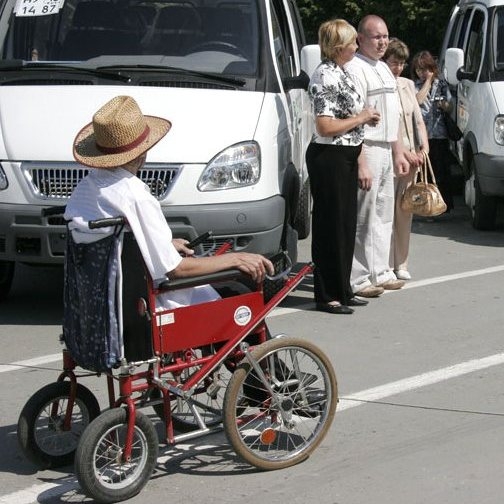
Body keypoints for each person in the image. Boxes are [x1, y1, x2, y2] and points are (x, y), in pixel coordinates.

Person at [64, 95, 274, 311]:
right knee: (240, 294)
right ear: (142, 152)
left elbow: (120, 242)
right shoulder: (135, 195)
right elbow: (176, 270)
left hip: (106, 304)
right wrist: (235, 259)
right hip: (158, 304)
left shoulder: (84, 190)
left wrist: (164, 245)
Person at [306, 18, 381, 315]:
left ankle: (343, 288)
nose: (355, 46)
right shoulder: (325, 75)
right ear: (338, 46)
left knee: (346, 225)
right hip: (329, 156)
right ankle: (326, 294)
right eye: (351, 42)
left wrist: (363, 119)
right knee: (330, 225)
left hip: (347, 154)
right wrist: (362, 118)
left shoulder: (344, 72)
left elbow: (349, 115)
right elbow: (325, 126)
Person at [345, 15, 410, 298]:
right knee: (364, 215)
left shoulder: (384, 68)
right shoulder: (355, 68)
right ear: (360, 38)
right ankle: (358, 277)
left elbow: (393, 115)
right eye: (376, 37)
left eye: (385, 36)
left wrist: (399, 151)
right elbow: (354, 118)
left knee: (384, 213)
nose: (382, 41)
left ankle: (381, 270)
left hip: (386, 147)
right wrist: (361, 161)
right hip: (367, 146)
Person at [383, 38, 429, 281]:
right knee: (386, 214)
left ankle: (401, 262)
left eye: (401, 63)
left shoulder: (408, 84)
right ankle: (385, 265)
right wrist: (403, 152)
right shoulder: (380, 84)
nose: (398, 68)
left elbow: (418, 120)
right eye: (393, 62)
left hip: (412, 158)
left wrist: (424, 148)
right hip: (390, 156)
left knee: (405, 212)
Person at [411, 50, 455, 213]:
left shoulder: (442, 84)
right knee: (424, 174)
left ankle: (443, 206)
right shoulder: (414, 85)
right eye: (419, 69)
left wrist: (444, 105)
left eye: (425, 69)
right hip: (422, 136)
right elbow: (418, 100)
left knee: (441, 171)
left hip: (439, 134)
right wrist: (428, 81)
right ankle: (425, 206)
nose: (422, 73)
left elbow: (450, 106)